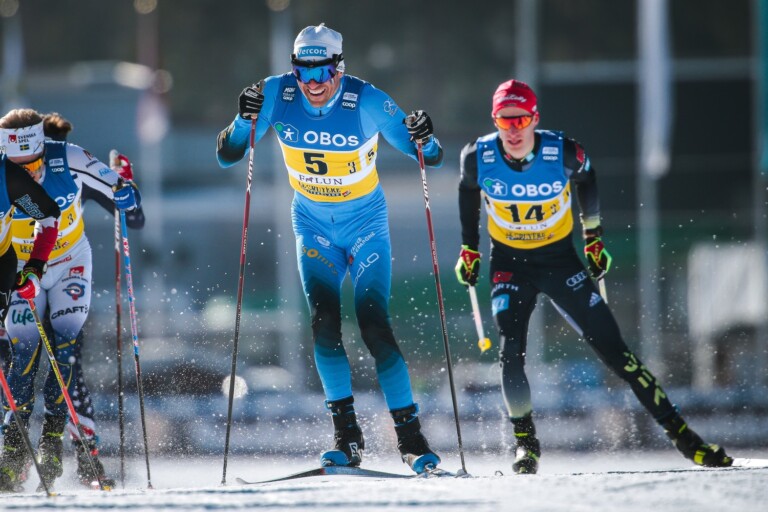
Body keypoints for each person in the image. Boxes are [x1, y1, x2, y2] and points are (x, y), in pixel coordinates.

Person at [454, 79, 733, 474]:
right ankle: (526, 445)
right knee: (509, 352)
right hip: (510, 263)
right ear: (494, 120)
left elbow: (588, 179)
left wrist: (593, 238)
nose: (513, 130)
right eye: (505, 120)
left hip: (559, 261)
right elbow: (467, 190)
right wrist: (469, 248)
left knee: (618, 353)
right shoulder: (477, 156)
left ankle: (686, 439)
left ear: (535, 119)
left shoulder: (563, 152)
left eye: (521, 120)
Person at [216, 24, 443, 474]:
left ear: (340, 67)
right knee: (324, 325)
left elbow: (427, 157)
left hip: (365, 226)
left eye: (323, 70)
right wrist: (242, 120)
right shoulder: (276, 93)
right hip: (313, 226)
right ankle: (347, 437)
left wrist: (427, 137)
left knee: (374, 325)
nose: (313, 82)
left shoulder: (368, 101)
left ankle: (411, 439)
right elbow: (228, 154)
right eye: (303, 71)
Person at [0, 108, 140, 491]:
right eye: (18, 167)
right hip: (20, 268)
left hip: (68, 264)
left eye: (34, 164)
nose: (28, 175)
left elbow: (126, 205)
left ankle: (59, 444)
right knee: (22, 357)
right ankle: (13, 454)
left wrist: (127, 191)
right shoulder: (5, 175)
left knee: (65, 354)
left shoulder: (70, 159)